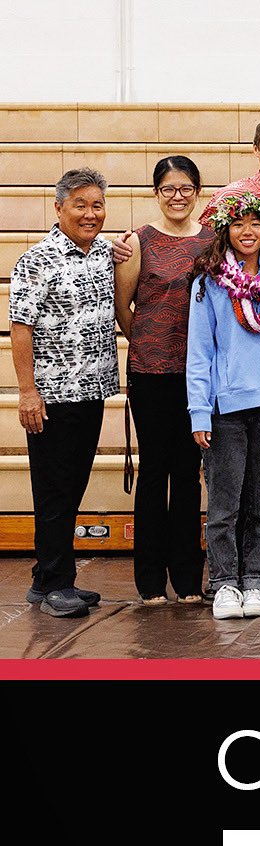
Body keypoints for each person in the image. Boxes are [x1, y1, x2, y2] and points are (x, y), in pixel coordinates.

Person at [114, 114, 260, 597]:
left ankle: (253, 572)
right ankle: (178, 579)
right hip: (180, 368)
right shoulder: (220, 206)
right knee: (181, 474)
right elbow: (128, 306)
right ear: (255, 149)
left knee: (252, 475)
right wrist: (150, 339)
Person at [9, 167, 118, 617]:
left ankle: (44, 579)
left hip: (91, 391)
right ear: (59, 208)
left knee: (70, 489)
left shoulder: (104, 253)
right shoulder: (36, 260)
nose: (90, 213)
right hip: (52, 397)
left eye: (97, 205)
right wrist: (28, 392)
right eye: (80, 204)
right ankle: (57, 584)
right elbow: (20, 327)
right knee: (53, 493)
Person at [186, 194, 260, 619]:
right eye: (238, 224)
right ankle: (223, 583)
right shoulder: (209, 282)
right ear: (225, 231)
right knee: (225, 503)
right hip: (225, 406)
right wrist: (199, 409)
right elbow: (199, 352)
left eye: (255, 223)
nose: (247, 232)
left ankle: (255, 581)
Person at [114, 155, 213, 605]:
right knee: (155, 472)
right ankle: (151, 581)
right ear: (157, 193)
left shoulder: (212, 242)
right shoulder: (138, 241)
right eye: (169, 189)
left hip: (198, 376)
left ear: (197, 192)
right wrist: (151, 342)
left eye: (186, 188)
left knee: (189, 475)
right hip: (151, 373)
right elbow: (124, 305)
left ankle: (189, 579)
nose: (178, 197)